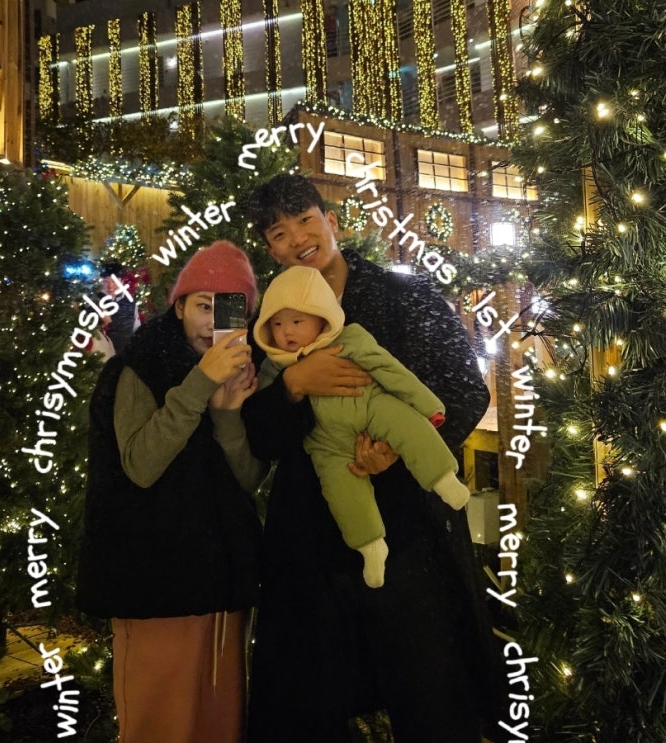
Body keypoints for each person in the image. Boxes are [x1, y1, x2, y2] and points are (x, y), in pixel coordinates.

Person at [243, 174, 504, 742]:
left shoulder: (404, 297)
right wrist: (293, 387)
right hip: (311, 537)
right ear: (270, 250)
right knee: (310, 703)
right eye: (279, 233)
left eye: (306, 220)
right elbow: (258, 435)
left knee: (430, 695)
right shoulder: (269, 322)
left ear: (331, 222)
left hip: (409, 529)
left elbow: (463, 390)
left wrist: (397, 449)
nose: (298, 239)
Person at [76, 240, 264, 743]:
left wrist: (227, 414)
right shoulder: (137, 368)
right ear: (178, 306)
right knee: (161, 723)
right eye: (203, 305)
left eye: (229, 308)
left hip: (222, 584)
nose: (211, 323)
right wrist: (201, 384)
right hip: (153, 582)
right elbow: (140, 466)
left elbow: (247, 481)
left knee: (220, 723)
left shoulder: (247, 373)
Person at [253, 265, 470, 588]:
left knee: (404, 424)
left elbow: (393, 371)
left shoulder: (377, 313)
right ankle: (370, 548)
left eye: (297, 322)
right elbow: (261, 430)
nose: (287, 332)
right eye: (277, 324)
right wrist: (291, 384)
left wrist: (429, 408)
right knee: (343, 493)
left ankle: (442, 477)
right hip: (324, 450)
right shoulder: (273, 363)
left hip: (373, 415)